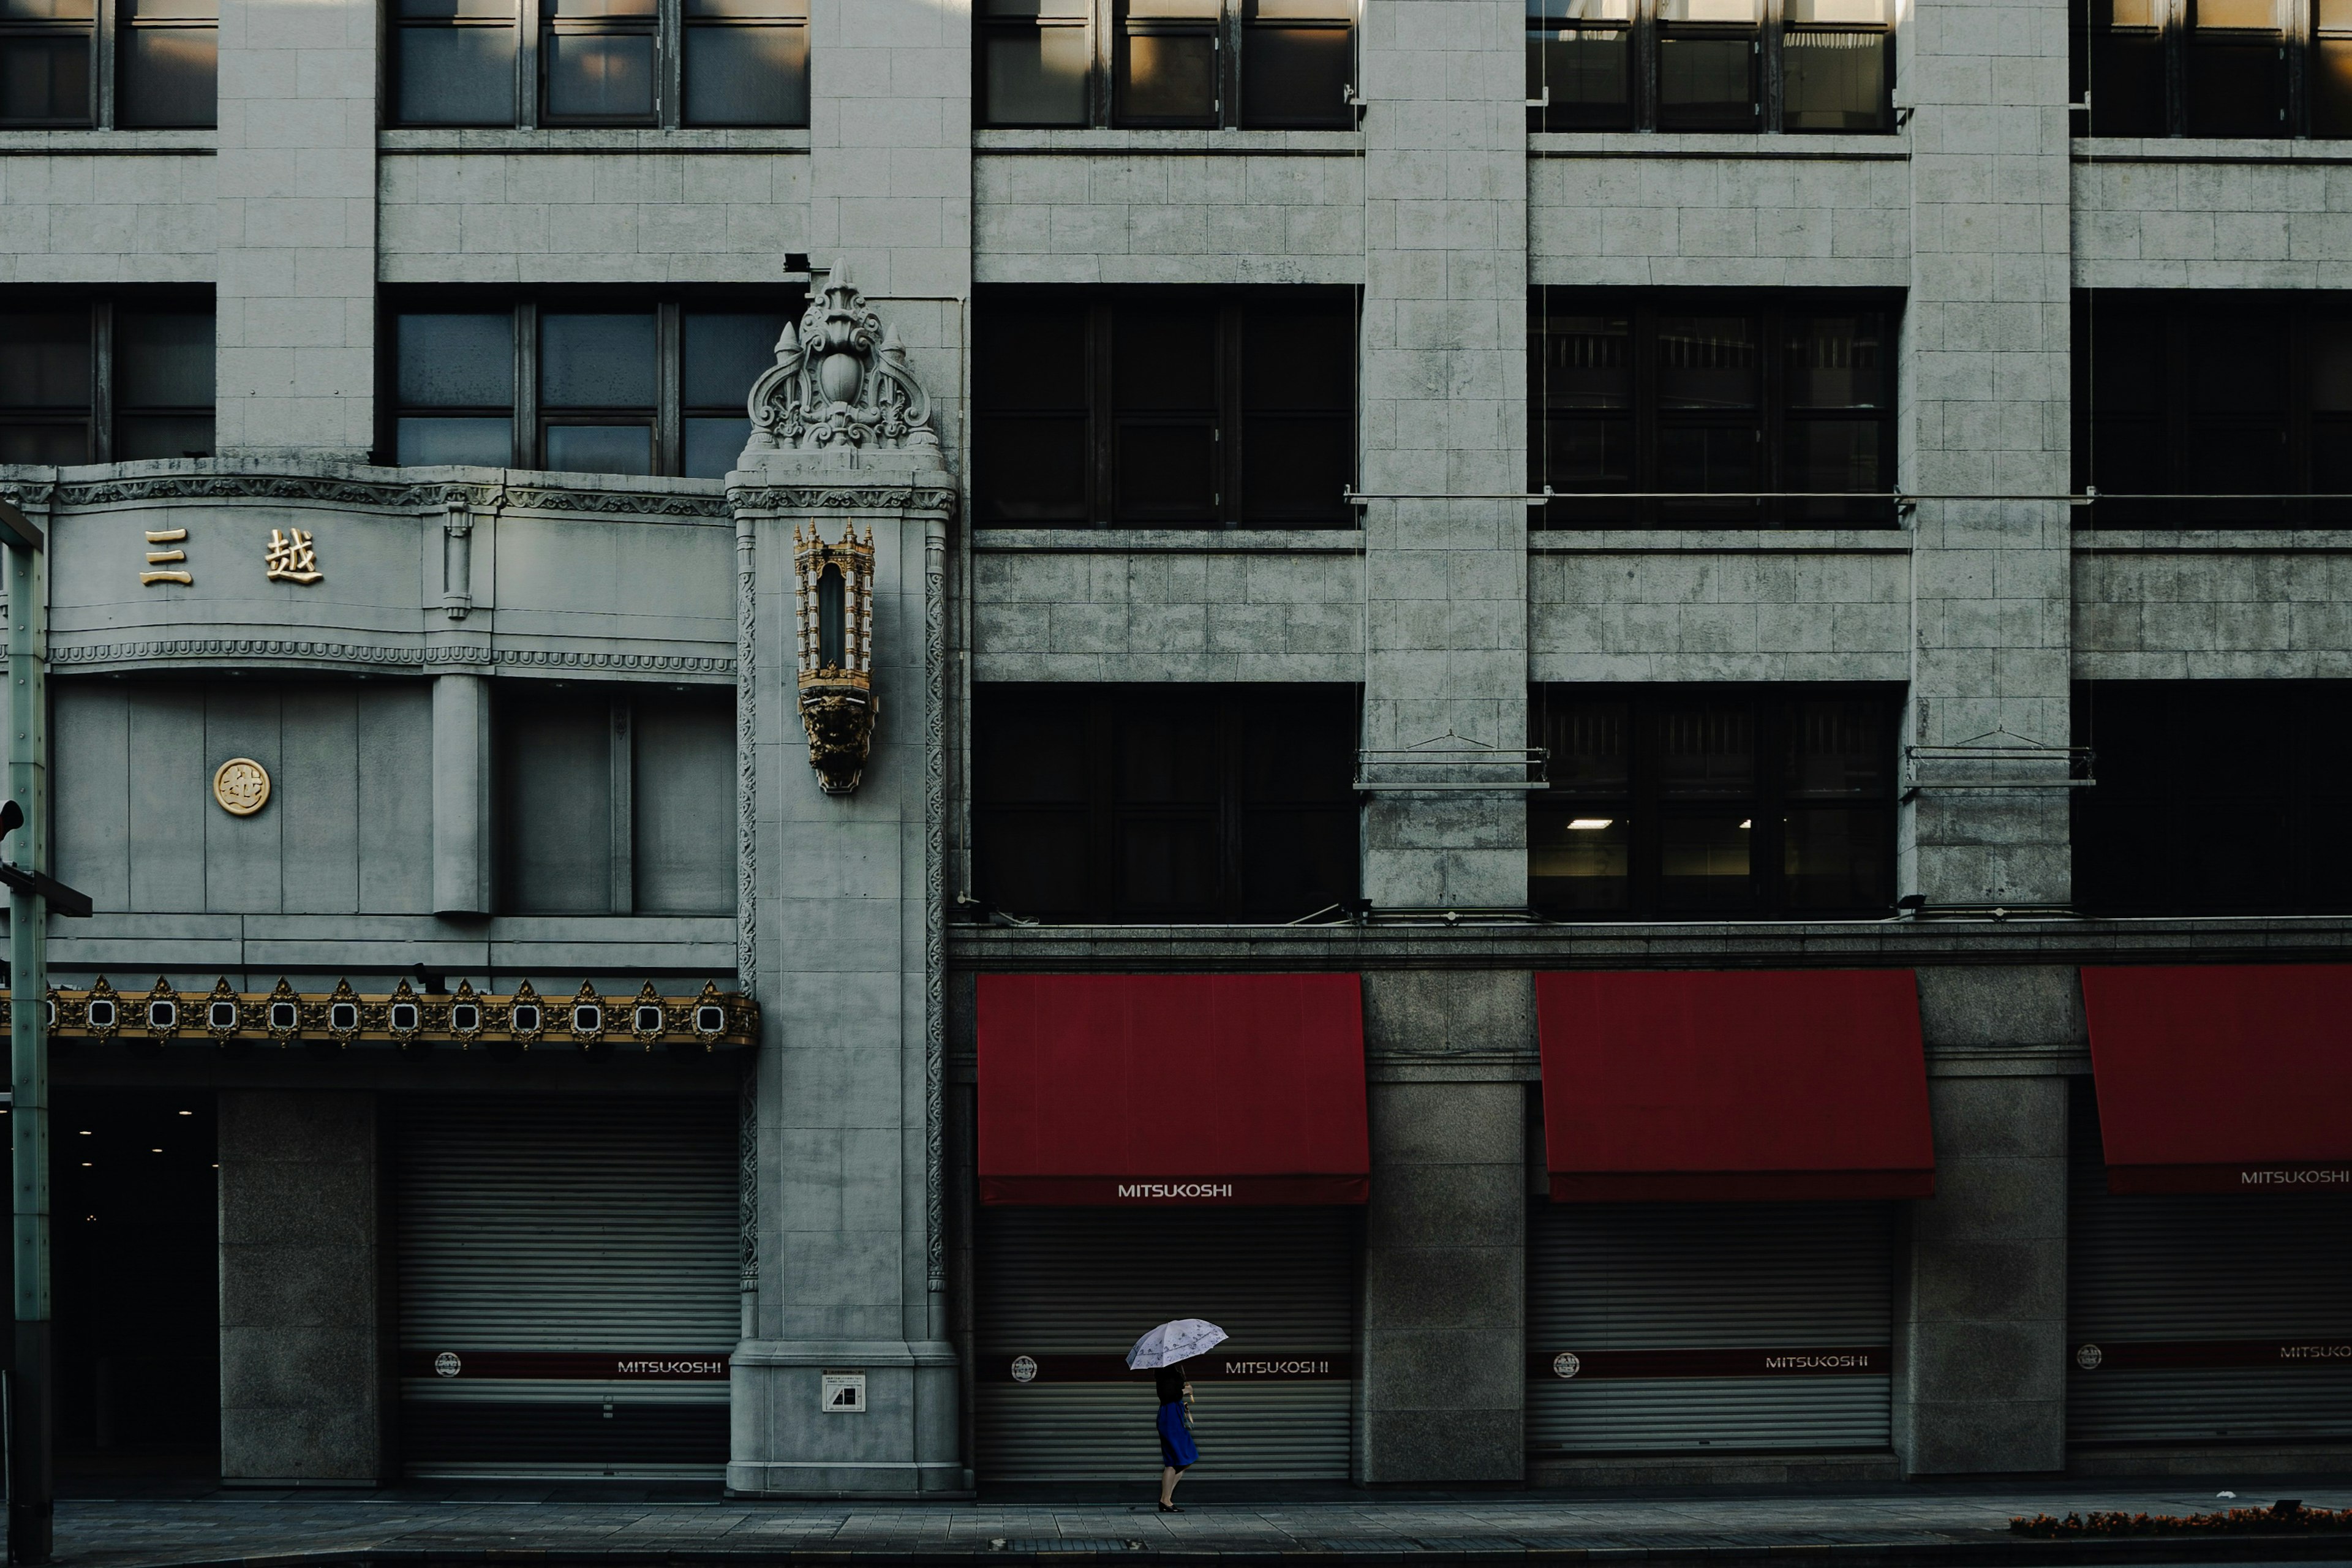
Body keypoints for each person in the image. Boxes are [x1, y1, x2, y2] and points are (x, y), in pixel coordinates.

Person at [1154, 1357, 1197, 1512]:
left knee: (1183, 1459)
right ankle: (1166, 1500)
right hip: (1170, 1417)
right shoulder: (1164, 1371)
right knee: (1175, 1460)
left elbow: (1172, 1395)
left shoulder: (1173, 1369)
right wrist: (1186, 1391)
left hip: (1173, 1414)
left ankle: (1166, 1499)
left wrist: (1182, 1401)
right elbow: (1167, 1395)